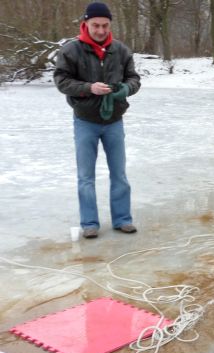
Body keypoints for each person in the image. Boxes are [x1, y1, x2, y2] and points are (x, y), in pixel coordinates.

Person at [54, 2, 141, 239]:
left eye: (105, 25)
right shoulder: (71, 50)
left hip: (114, 121)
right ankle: (90, 223)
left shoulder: (121, 50)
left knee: (119, 174)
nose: (101, 30)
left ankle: (123, 219)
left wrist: (125, 89)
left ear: (110, 25)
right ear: (86, 24)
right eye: (96, 25)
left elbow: (134, 79)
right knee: (86, 177)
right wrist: (88, 88)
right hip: (85, 121)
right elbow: (61, 81)